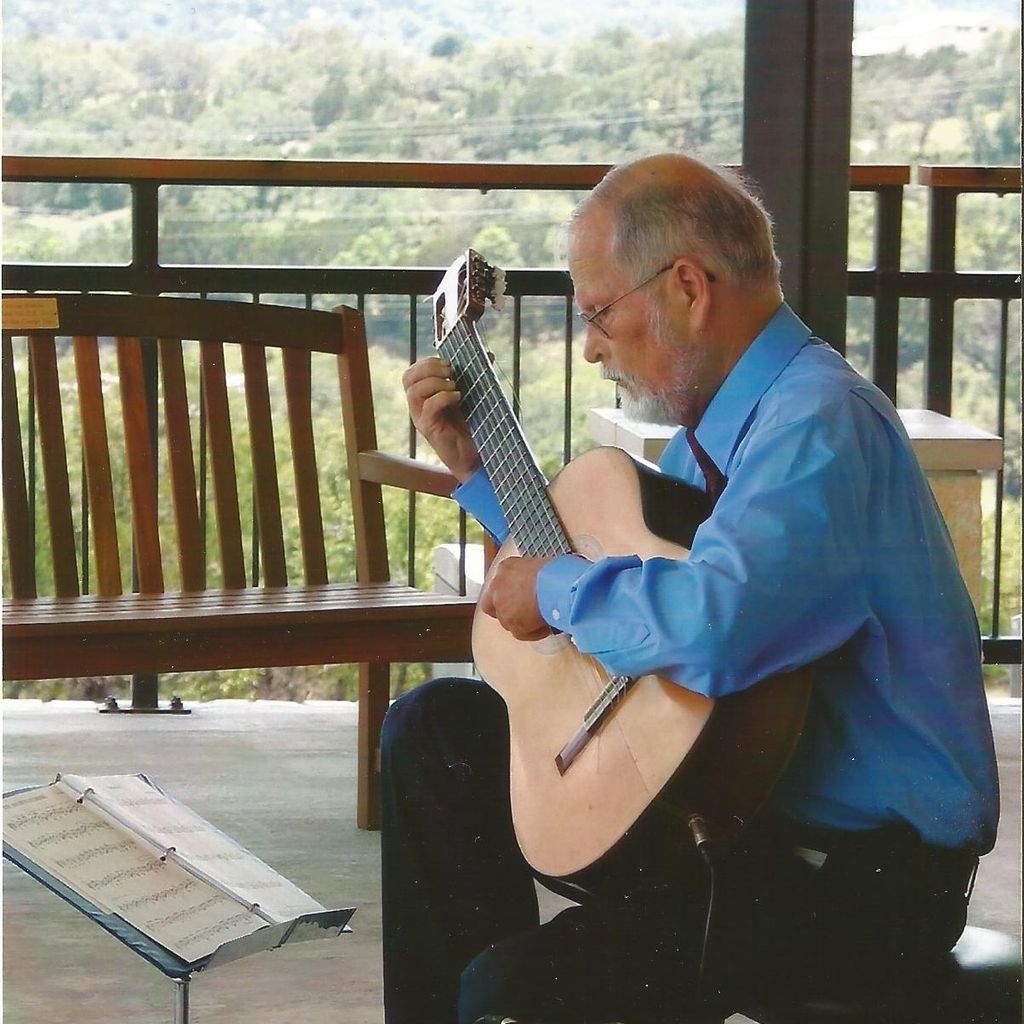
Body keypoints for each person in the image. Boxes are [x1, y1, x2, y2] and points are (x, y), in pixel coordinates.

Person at [382, 153, 998, 1024]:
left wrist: (555, 589)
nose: (591, 346)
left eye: (599, 313)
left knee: (510, 991)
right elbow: (633, 611)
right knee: (438, 731)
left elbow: (713, 628)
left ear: (686, 288)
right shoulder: (708, 439)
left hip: (858, 877)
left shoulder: (818, 427)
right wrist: (482, 475)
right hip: (737, 812)